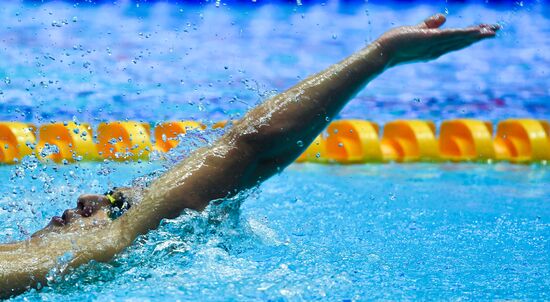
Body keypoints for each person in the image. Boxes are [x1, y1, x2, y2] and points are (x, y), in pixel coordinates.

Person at [0, 14, 499, 298]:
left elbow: (250, 147)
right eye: (110, 199)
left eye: (112, 203)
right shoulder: (57, 253)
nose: (88, 198)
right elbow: (244, 147)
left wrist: (380, 55)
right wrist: (379, 54)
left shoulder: (105, 247)